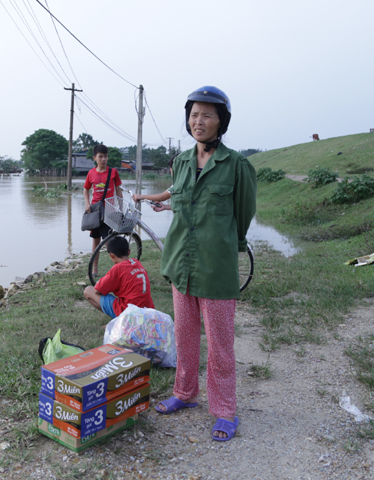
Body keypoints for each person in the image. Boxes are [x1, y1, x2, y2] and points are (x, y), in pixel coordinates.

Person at [135, 86, 257, 442]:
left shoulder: (237, 165)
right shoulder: (182, 163)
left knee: (220, 344)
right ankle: (185, 394)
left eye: (206, 115)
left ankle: (224, 410)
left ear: (221, 121)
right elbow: (181, 200)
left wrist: (227, 245)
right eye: (193, 115)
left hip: (215, 268)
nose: (198, 121)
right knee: (185, 335)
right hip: (180, 265)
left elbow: (243, 212)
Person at [83, 236, 154, 318]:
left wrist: (100, 282)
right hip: (148, 311)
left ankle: (119, 321)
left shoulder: (118, 268)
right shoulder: (136, 262)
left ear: (111, 255)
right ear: (129, 251)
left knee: (88, 291)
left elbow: (97, 290)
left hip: (130, 314)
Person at [83, 144, 123, 276]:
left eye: (105, 156)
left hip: (109, 210)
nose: (103, 159)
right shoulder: (91, 173)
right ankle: (95, 269)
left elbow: (118, 190)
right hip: (95, 212)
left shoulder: (113, 172)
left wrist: (120, 207)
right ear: (95, 158)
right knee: (96, 240)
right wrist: (87, 203)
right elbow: (86, 189)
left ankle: (119, 267)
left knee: (109, 240)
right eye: (100, 156)